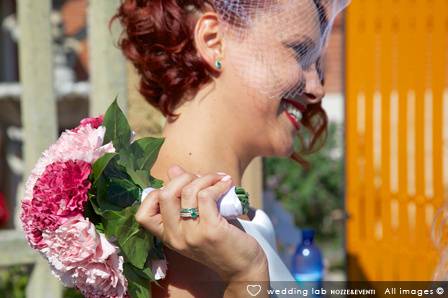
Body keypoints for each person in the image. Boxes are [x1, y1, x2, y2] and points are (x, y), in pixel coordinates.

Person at [113, 0, 349, 296]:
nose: (317, 89)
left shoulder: (237, 217)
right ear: (213, 42)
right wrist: (246, 276)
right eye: (300, 52)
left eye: (317, 63)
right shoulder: (173, 228)